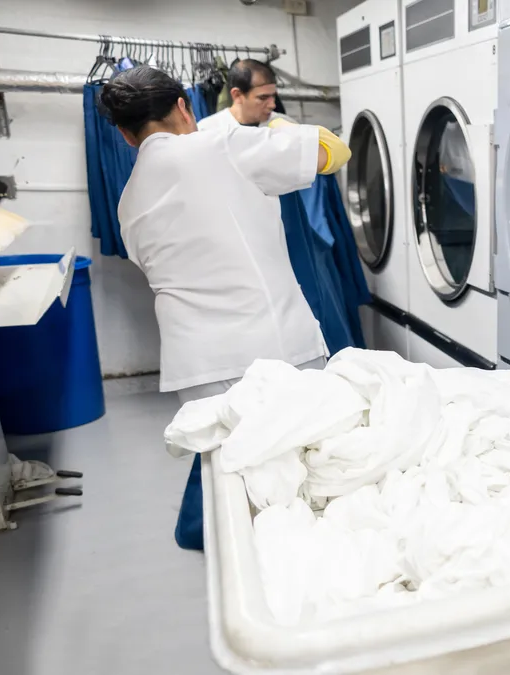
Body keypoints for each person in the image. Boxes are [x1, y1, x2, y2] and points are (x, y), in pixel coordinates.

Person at [97, 65, 351, 550]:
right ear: (182, 106)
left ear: (128, 137)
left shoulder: (127, 201)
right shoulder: (222, 145)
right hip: (274, 350)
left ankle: (244, 582)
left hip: (197, 367)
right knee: (306, 478)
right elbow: (334, 152)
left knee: (234, 485)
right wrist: (272, 125)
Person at [198, 58, 289, 131]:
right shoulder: (208, 130)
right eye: (263, 98)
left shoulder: (286, 127)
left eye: (273, 96)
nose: (272, 105)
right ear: (237, 95)